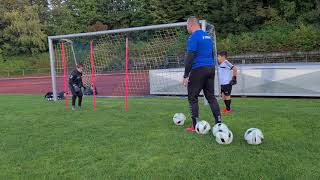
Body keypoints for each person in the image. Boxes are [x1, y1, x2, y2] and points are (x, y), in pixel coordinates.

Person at [183, 16, 222, 132]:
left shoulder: (193, 37)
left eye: (187, 26)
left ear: (190, 25)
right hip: (210, 68)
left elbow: (190, 58)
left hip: (198, 69)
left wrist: (186, 75)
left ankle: (195, 125)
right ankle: (219, 122)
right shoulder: (208, 37)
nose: (187, 28)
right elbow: (212, 54)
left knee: (192, 97)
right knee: (211, 97)